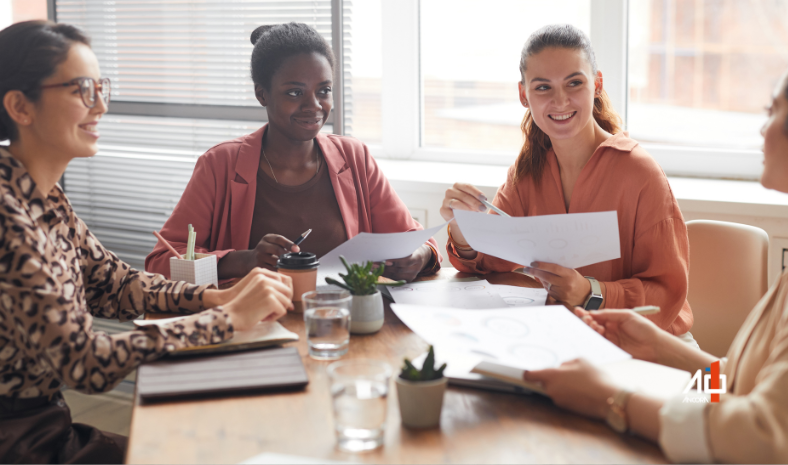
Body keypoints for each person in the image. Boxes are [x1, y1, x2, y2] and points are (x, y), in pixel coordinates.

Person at [0, 20, 294, 464]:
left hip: (43, 425)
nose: (99, 105)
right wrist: (228, 317)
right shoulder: (8, 216)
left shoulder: (42, 195)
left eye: (102, 87)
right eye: (81, 89)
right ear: (21, 106)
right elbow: (84, 361)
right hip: (22, 442)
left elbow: (115, 284)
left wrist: (213, 296)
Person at [524, 70, 788, 463]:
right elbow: (744, 383)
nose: (762, 129)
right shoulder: (529, 167)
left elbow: (761, 435)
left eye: (774, 111)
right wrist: (660, 347)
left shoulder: (638, 169)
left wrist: (610, 400)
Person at [441, 24, 693, 337]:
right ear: (523, 94)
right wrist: (465, 233)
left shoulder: (640, 173)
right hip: (565, 338)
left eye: (574, 83)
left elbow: (666, 297)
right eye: (543, 87)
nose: (560, 101)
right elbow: (490, 262)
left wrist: (590, 292)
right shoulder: (526, 172)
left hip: (649, 344)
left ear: (597, 84)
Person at [146, 23, 440, 283]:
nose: (313, 105)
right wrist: (244, 261)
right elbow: (160, 263)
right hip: (256, 328)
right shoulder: (220, 164)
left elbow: (417, 242)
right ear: (262, 94)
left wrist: (419, 257)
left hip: (342, 325)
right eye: (295, 92)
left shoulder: (354, 158)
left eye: (323, 90)